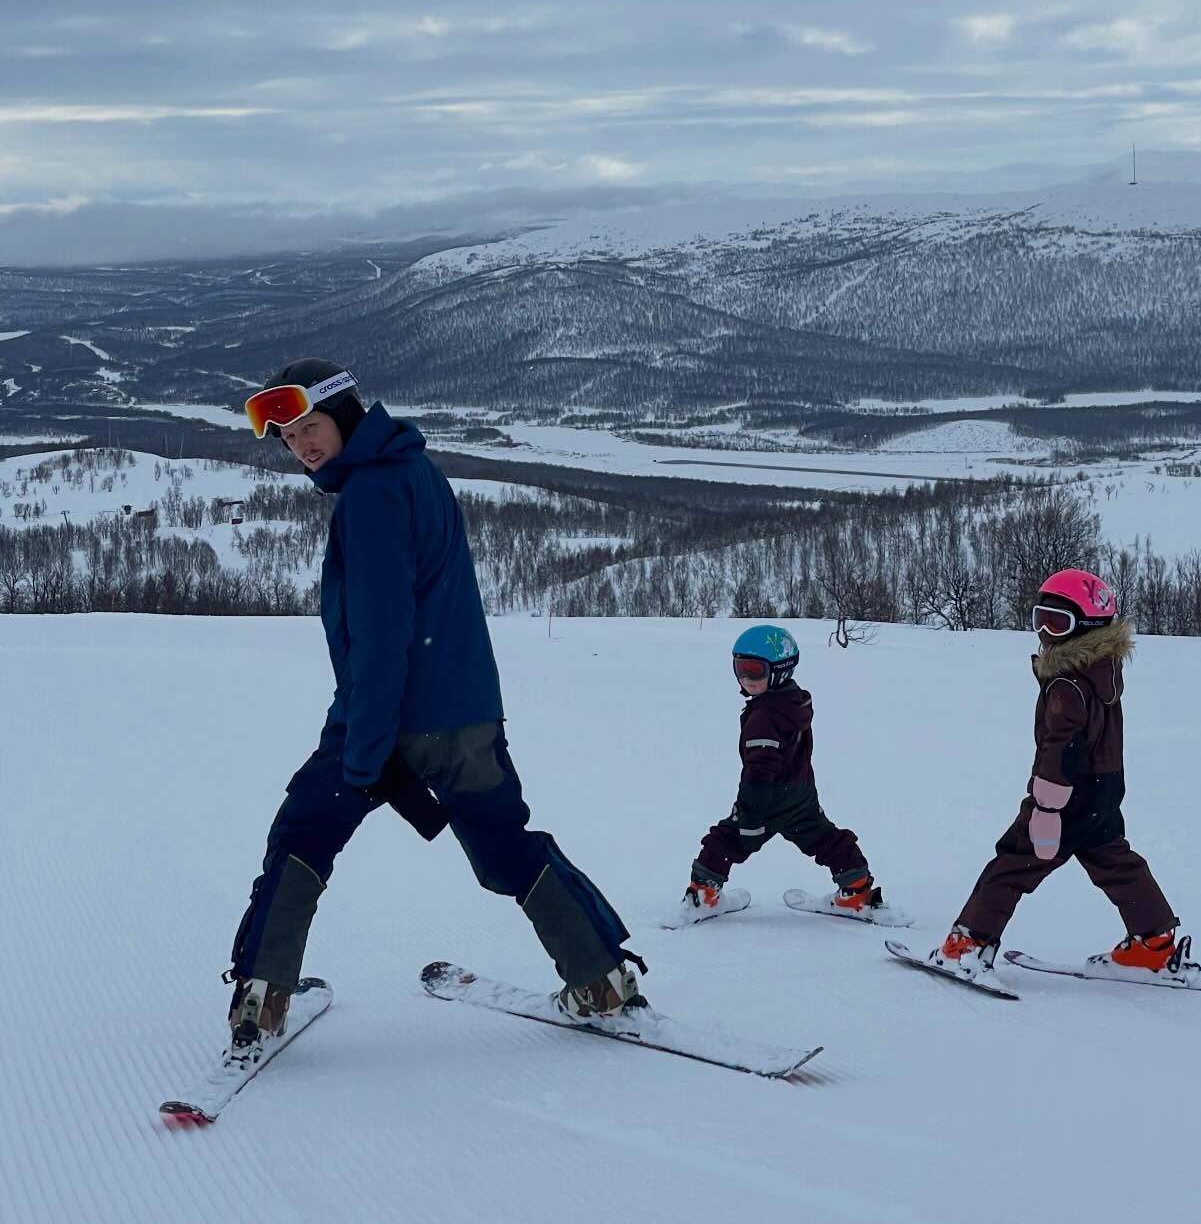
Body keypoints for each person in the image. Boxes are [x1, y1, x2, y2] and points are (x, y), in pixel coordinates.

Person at [226, 358, 645, 1055]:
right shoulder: (416, 470)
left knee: (302, 838)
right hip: (467, 714)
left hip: (387, 713)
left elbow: (382, 633)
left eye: (312, 427)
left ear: (348, 416)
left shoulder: (367, 497)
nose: (302, 445)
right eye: (290, 437)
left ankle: (263, 1002)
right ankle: (600, 980)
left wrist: (365, 753)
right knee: (507, 845)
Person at [932, 568, 1190, 979]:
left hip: (1066, 794)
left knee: (1014, 862)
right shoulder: (1102, 669)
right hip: (1104, 788)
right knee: (1112, 859)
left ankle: (969, 944)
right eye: (1040, 618)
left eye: (1058, 621)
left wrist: (1047, 809)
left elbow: (1061, 748)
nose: (1046, 631)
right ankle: (1153, 943)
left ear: (1085, 628)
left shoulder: (1067, 683)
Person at [680, 624, 888, 917]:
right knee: (824, 838)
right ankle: (857, 890)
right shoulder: (792, 701)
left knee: (724, 839)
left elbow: (759, 770)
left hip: (768, 796)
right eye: (739, 668)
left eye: (754, 671)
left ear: (779, 670)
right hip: (799, 792)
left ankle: (703, 896)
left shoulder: (764, 717)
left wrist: (750, 814)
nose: (745, 678)